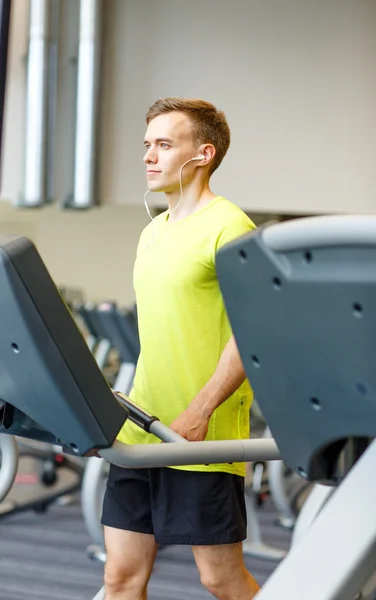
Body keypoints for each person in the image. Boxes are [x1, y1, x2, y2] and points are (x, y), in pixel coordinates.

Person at [101, 97, 258, 600]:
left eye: (164, 145)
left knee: (220, 578)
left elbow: (251, 330)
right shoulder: (151, 233)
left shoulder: (230, 227)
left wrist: (200, 408)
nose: (149, 156)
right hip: (141, 426)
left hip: (199, 432)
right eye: (147, 145)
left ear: (203, 154)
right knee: (121, 578)